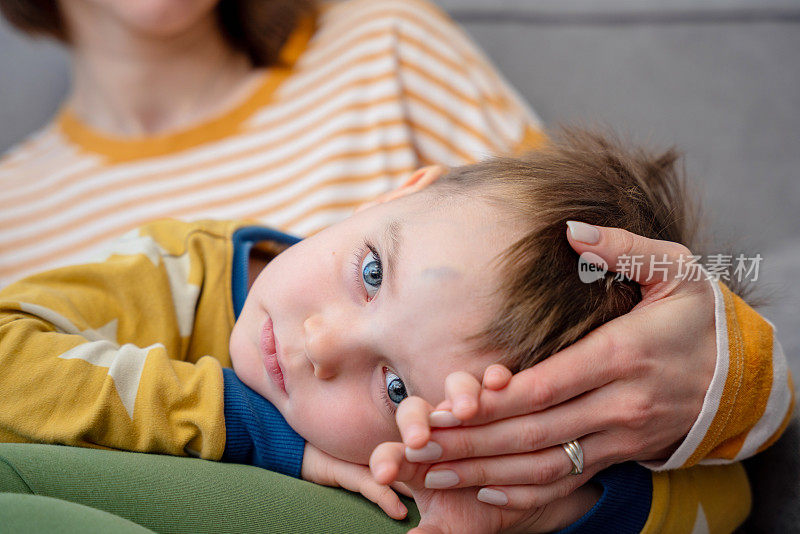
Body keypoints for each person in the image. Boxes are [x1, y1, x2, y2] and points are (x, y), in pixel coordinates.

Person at [0, 0, 789, 528]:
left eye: (396, 386)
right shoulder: (156, 258)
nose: (320, 341)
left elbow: (564, 258)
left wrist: (560, 491)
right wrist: (256, 435)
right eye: (369, 272)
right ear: (399, 189)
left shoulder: (386, 41)